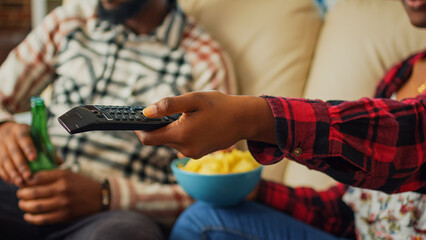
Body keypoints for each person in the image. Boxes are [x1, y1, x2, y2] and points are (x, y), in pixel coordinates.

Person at [136, 0, 426, 239]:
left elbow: (407, 137)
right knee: (203, 218)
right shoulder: (400, 74)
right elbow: (351, 210)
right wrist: (257, 191)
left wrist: (251, 118)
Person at [0, 0, 236, 239]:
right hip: (28, 186)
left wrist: (108, 195)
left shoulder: (205, 61)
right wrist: (3, 127)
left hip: (111, 218)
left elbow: (214, 188)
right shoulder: (68, 21)